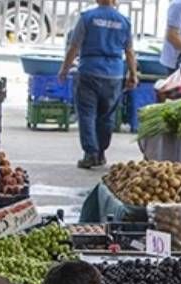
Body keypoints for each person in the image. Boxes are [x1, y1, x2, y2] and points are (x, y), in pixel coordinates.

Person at [59, 0, 136, 170]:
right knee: (106, 116)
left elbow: (74, 46)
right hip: (114, 75)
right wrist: (133, 74)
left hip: (89, 72)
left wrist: (64, 69)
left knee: (86, 114)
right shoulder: (124, 21)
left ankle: (90, 153)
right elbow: (129, 51)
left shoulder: (87, 18)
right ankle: (101, 153)